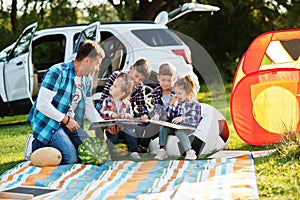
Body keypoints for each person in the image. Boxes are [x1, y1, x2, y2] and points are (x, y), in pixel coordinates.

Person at [26, 40, 105, 164]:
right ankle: (34, 145)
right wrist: (66, 120)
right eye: (96, 64)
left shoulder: (87, 80)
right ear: (87, 61)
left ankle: (62, 142)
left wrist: (105, 124)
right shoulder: (57, 72)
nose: (97, 68)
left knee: (91, 154)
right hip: (50, 123)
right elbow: (42, 105)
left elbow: (89, 107)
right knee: (70, 158)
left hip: (70, 124)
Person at [95, 57, 151, 140]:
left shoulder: (139, 86)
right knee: (98, 108)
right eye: (136, 76)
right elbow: (104, 97)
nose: (137, 80)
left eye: (141, 79)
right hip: (109, 109)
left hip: (124, 112)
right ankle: (99, 140)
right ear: (131, 68)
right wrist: (111, 118)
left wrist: (144, 114)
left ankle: (138, 142)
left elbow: (141, 104)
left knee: (145, 121)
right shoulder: (116, 76)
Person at [154, 75, 202, 160]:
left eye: (180, 93)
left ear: (188, 92)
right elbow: (169, 116)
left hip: (188, 128)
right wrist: (171, 104)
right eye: (176, 93)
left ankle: (190, 151)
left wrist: (183, 118)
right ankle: (162, 150)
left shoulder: (194, 104)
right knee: (163, 128)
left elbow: (195, 119)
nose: (177, 96)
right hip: (176, 127)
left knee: (180, 132)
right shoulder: (179, 104)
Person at [99, 72, 141, 160]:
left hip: (124, 127)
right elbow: (102, 112)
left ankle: (133, 151)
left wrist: (125, 115)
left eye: (115, 86)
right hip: (112, 127)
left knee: (131, 135)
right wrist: (111, 114)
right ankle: (109, 153)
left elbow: (131, 115)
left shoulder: (127, 103)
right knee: (112, 138)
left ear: (122, 93)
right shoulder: (107, 101)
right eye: (113, 85)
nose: (111, 87)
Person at [138, 62, 177, 149]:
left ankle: (154, 145)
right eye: (163, 80)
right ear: (158, 78)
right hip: (159, 115)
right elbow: (157, 105)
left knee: (160, 126)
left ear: (174, 80)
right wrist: (158, 114)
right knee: (149, 124)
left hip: (172, 116)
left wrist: (167, 115)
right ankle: (143, 145)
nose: (166, 83)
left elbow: (177, 107)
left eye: (169, 80)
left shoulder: (175, 92)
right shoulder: (156, 92)